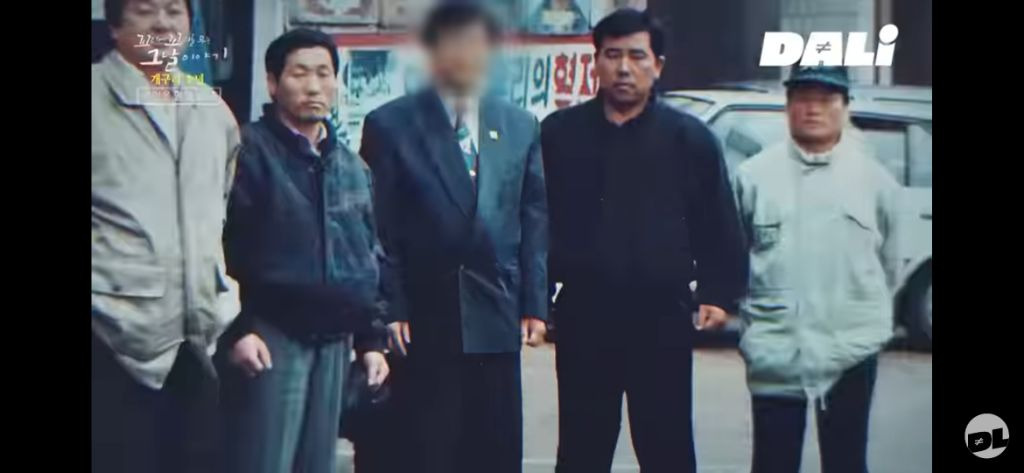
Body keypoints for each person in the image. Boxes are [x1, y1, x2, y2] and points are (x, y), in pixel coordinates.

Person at [541, 9, 748, 473]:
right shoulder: (559, 135)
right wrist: (536, 298)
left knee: (666, 445)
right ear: (595, 61)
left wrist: (717, 293)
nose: (624, 68)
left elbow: (717, 220)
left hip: (661, 317)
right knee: (581, 447)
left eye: (637, 56)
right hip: (583, 314)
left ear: (658, 65)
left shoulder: (690, 139)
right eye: (612, 55)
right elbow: (537, 221)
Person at [359, 3, 549, 472]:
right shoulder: (391, 124)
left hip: (496, 310)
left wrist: (534, 302)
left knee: (492, 449)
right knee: (427, 448)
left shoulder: (519, 125)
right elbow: (380, 229)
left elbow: (532, 219)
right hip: (425, 315)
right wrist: (391, 308)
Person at [217, 29, 390, 473]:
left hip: (335, 339)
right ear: (273, 83)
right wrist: (236, 330)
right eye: (299, 74)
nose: (314, 86)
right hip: (269, 335)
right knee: (263, 460)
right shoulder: (246, 152)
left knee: (317, 462)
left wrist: (371, 340)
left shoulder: (351, 166)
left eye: (324, 73)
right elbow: (217, 248)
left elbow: (367, 257)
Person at [91, 0, 240, 472]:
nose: (162, 24)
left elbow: (221, 208)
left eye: (174, 11)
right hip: (108, 335)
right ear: (114, 26)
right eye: (145, 11)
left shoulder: (211, 108)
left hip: (196, 338)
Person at [733, 65, 899, 473]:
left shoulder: (875, 180)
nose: (813, 109)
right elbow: (737, 259)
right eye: (803, 99)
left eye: (826, 100)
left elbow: (890, 264)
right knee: (773, 463)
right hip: (776, 346)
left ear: (846, 107)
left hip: (851, 346)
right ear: (787, 107)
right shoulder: (753, 177)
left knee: (846, 460)